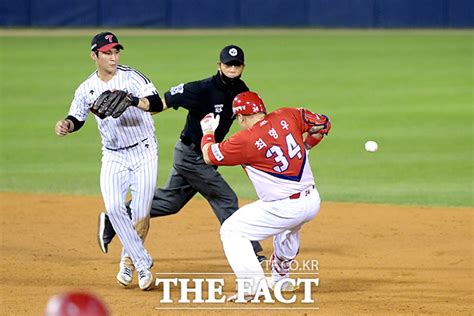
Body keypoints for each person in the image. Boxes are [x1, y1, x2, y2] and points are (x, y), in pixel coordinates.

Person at [97, 45, 265, 260]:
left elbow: (252, 120)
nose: (232, 69)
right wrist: (134, 103)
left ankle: (114, 218)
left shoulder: (242, 91)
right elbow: (161, 104)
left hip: (204, 156)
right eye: (227, 64)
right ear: (219, 65)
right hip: (191, 156)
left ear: (242, 67)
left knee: (170, 202)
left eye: (236, 65)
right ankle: (250, 253)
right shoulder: (201, 89)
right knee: (226, 198)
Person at [55, 32, 166, 291]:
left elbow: (157, 104)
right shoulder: (85, 88)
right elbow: (77, 117)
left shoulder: (133, 77)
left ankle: (127, 262)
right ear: (94, 56)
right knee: (114, 207)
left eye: (116, 51)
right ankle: (141, 263)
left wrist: (133, 100)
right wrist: (66, 125)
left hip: (144, 152)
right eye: (107, 53)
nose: (113, 57)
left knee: (140, 212)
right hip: (113, 155)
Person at [199, 91, 331, 301]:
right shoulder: (288, 114)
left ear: (241, 117)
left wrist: (207, 130)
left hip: (284, 207)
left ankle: (252, 287)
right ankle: (281, 279)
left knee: (232, 231)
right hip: (312, 200)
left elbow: (209, 155)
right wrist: (306, 146)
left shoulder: (245, 139)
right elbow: (322, 125)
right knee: (288, 231)